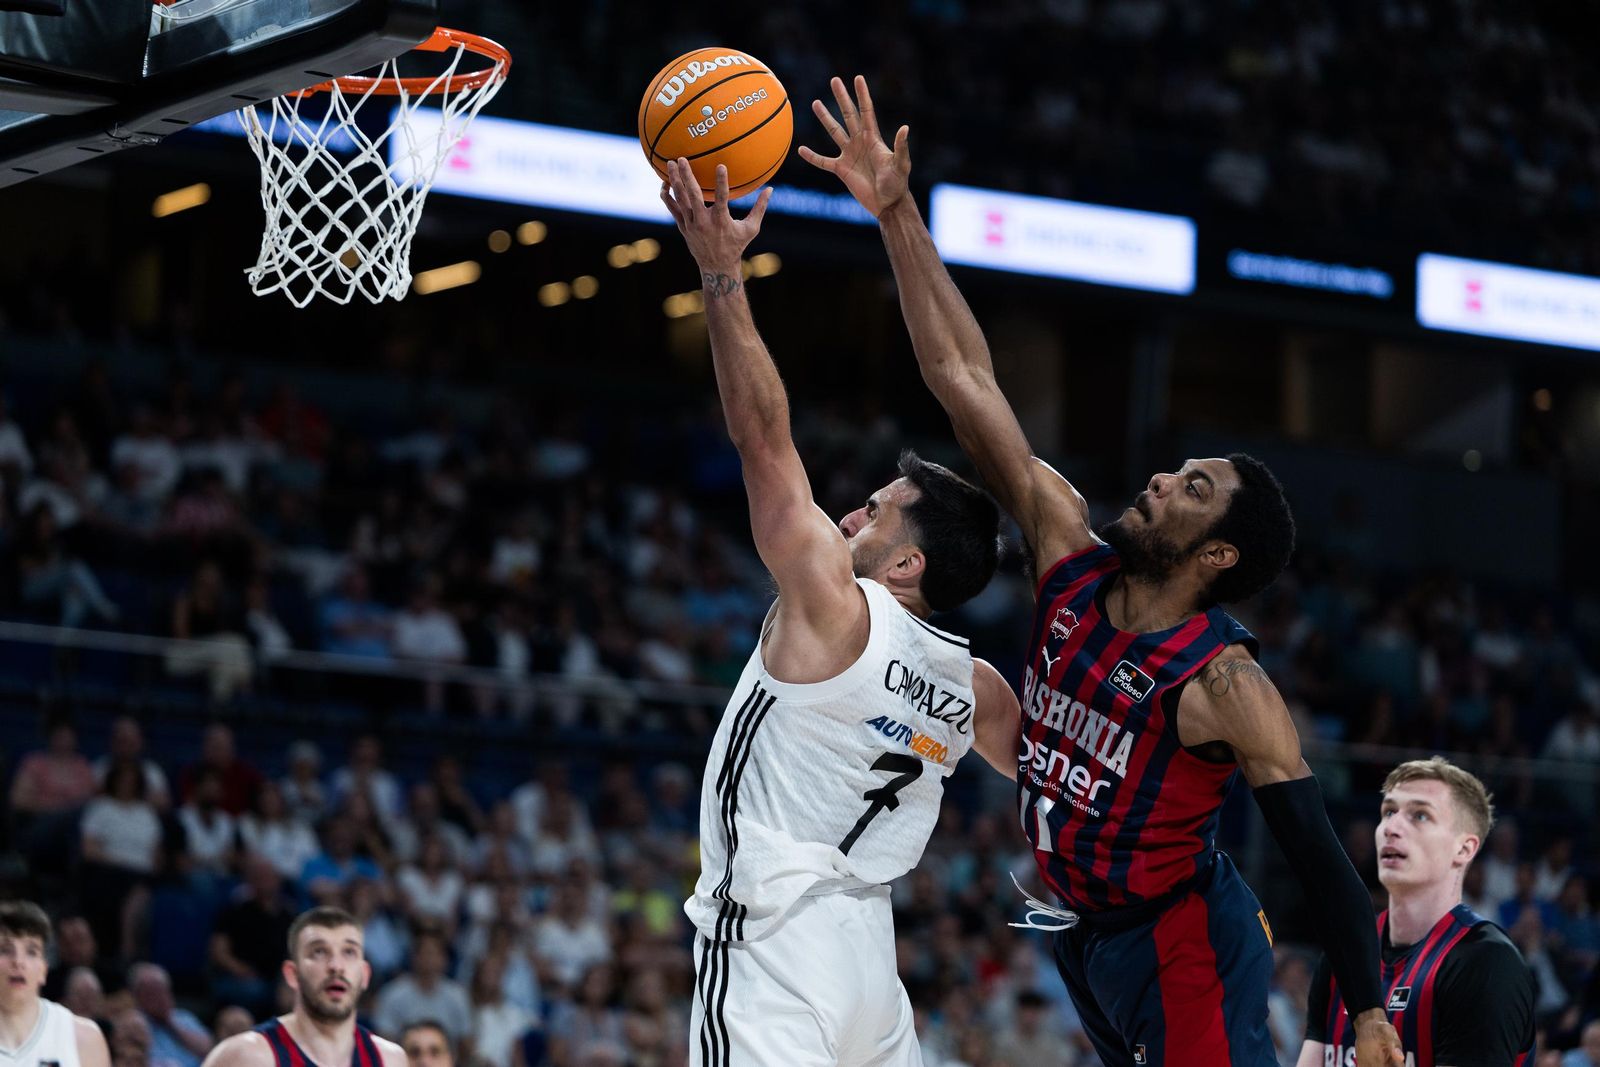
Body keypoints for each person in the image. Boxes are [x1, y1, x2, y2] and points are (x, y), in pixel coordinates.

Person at [804, 75, 1403, 1067]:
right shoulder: (1064, 549)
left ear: (1217, 554)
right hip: (1080, 933)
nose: (1161, 479)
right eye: (1178, 469)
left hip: (1181, 939)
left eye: (1193, 489)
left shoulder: (1224, 683)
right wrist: (897, 212)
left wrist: (1371, 1010)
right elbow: (962, 377)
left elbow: (1315, 852)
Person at [659, 157, 1019, 1067]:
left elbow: (761, 437)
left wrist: (721, 272)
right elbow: (1060, 782)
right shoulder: (975, 687)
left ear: (907, 563)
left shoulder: (836, 605)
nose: (850, 516)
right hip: (871, 970)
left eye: (874, 511)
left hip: (776, 944)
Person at [1298, 757, 1536, 1066]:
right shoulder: (1345, 950)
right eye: (1389, 812)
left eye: (1420, 815)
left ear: (1464, 849)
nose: (1391, 828)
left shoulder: (1487, 962)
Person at [198, 907, 407, 1067]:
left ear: (365, 975)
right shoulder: (247, 1056)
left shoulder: (390, 1060)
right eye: (319, 952)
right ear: (292, 974)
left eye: (349, 952)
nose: (336, 966)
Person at [0, 901, 111, 1067]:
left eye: (31, 951)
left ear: (44, 970)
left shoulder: (83, 1038)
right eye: (5, 950)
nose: (18, 962)